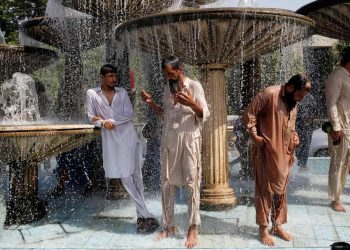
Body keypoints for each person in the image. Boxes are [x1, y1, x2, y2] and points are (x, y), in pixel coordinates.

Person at [140, 56, 209, 249]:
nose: (167, 78)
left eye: (170, 74)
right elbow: (165, 115)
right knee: (166, 183)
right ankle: (168, 225)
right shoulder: (166, 89)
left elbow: (204, 113)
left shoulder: (194, 86)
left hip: (189, 140)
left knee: (192, 183)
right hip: (169, 141)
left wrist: (190, 103)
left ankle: (193, 228)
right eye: (165, 74)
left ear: (180, 70)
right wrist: (151, 103)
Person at [85, 64, 159, 233]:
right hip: (111, 139)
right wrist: (103, 122)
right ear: (102, 77)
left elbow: (130, 114)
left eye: (115, 76)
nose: (113, 79)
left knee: (136, 175)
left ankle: (142, 215)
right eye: (110, 76)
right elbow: (91, 116)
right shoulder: (92, 93)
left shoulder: (122, 93)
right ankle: (145, 212)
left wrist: (110, 120)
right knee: (124, 175)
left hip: (129, 135)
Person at [242, 73, 311, 246]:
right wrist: (255, 136)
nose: (301, 99)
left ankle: (277, 225)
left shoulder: (292, 102)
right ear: (290, 88)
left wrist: (294, 136)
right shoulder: (269, 94)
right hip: (266, 150)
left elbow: (289, 125)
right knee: (264, 190)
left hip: (285, 153)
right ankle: (263, 229)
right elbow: (249, 115)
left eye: (303, 96)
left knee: (281, 190)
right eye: (299, 95)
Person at [325, 47, 350, 213]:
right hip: (339, 127)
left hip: (349, 126)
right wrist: (335, 127)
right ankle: (335, 199)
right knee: (338, 162)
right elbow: (331, 102)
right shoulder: (336, 76)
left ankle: (339, 194)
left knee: (346, 163)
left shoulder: (348, 77)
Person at [295, 93, 318, 171]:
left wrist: (308, 121)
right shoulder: (296, 96)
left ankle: (303, 165)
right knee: (298, 144)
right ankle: (299, 163)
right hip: (297, 125)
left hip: (307, 127)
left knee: (306, 145)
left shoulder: (310, 97)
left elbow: (315, 111)